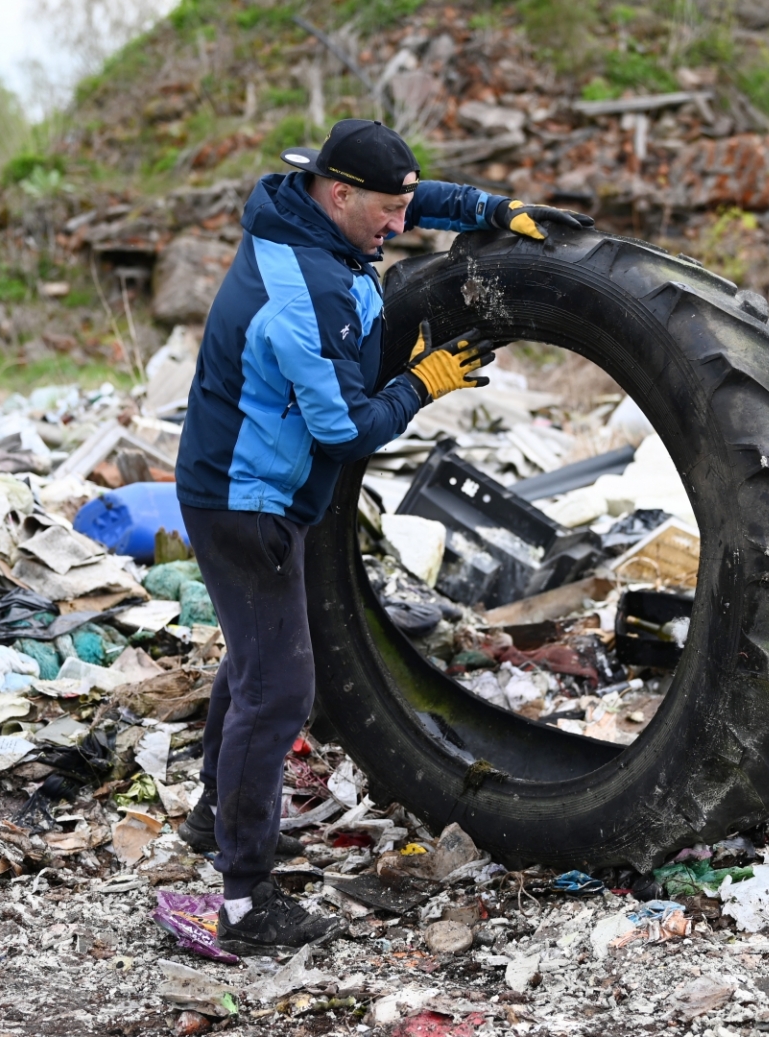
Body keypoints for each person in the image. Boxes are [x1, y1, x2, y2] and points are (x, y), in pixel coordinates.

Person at [172, 119, 593, 952]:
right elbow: (346, 431)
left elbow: (406, 199)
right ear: (339, 195)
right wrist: (423, 382)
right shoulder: (304, 300)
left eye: (406, 204)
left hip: (262, 487)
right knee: (282, 687)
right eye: (387, 210)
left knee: (253, 657)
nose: (401, 224)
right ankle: (246, 900)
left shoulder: (316, 211)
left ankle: (215, 816)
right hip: (243, 500)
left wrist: (488, 208)